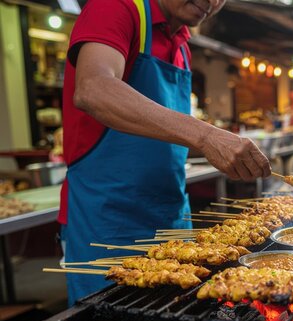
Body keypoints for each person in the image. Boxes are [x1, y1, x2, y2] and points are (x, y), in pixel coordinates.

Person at [60, 0, 271, 305]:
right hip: (106, 225)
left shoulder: (183, 45)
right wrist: (206, 135)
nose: (212, 2)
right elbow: (93, 87)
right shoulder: (116, 7)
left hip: (172, 219)